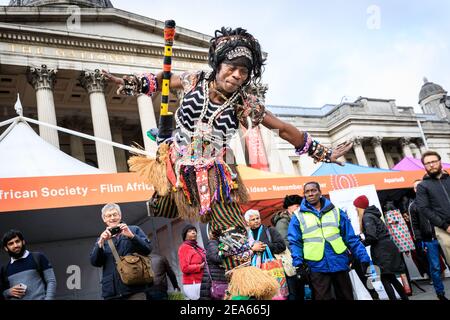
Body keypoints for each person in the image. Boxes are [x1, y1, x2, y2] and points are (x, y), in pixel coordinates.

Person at [103, 26, 353, 238]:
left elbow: (283, 129)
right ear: (218, 64)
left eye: (243, 72)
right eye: (231, 67)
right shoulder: (195, 79)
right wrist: (131, 82)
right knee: (162, 207)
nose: (236, 76)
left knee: (232, 235)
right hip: (175, 162)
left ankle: (244, 283)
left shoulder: (244, 102)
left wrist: (323, 152)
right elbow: (161, 80)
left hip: (217, 171)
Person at [288, 182, 371, 300]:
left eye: (313, 190)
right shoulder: (298, 216)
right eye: (307, 192)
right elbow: (295, 242)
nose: (310, 194)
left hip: (339, 262)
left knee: (346, 297)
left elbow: (350, 238)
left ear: (320, 193)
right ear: (304, 195)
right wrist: (299, 265)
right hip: (316, 265)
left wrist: (363, 257)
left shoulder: (336, 211)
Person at [90, 203, 152, 300]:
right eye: (109, 216)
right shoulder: (102, 238)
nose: (112, 218)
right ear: (104, 219)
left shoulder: (134, 230)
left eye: (115, 214)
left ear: (120, 216)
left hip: (135, 288)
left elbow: (147, 249)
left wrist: (132, 236)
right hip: (112, 292)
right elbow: (95, 262)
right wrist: (100, 244)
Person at [353, 195, 409, 300]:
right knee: (391, 277)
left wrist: (360, 244)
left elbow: (372, 237)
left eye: (356, 207)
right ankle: (405, 298)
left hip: (382, 250)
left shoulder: (367, 217)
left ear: (360, 207)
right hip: (387, 248)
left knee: (385, 278)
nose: (355, 209)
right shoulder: (373, 215)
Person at [409, 180, 448, 300]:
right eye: (417, 187)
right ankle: (440, 294)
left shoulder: (434, 200)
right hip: (429, 240)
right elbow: (414, 225)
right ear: (415, 190)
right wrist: (419, 241)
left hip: (443, 235)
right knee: (435, 267)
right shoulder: (413, 206)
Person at [416, 150, 450, 266]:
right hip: (444, 228)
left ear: (440, 162)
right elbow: (424, 209)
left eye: (434, 161)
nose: (431, 165)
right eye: (427, 163)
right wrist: (445, 226)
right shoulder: (422, 186)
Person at [1, 229, 57, 300]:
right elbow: (3, 292)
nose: (15, 245)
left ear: (23, 242)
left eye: (17, 241)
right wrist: (8, 292)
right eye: (11, 243)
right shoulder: (5, 268)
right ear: (6, 248)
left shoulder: (38, 257)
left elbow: (51, 281)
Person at [271, 194, 302, 300]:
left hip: (299, 259)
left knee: (300, 290)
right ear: (289, 207)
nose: (298, 208)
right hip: (290, 261)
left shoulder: (298, 218)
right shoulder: (282, 222)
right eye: (296, 205)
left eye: (299, 205)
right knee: (294, 292)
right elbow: (285, 243)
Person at [178, 224, 206, 300]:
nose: (193, 232)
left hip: (203, 280)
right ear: (185, 235)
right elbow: (184, 268)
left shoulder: (197, 247)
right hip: (194, 284)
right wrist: (200, 266)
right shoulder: (184, 248)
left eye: (194, 230)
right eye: (190, 231)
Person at [199, 226, 228, 300]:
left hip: (216, 277)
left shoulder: (217, 243)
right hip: (214, 279)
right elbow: (216, 258)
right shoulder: (213, 243)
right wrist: (226, 254)